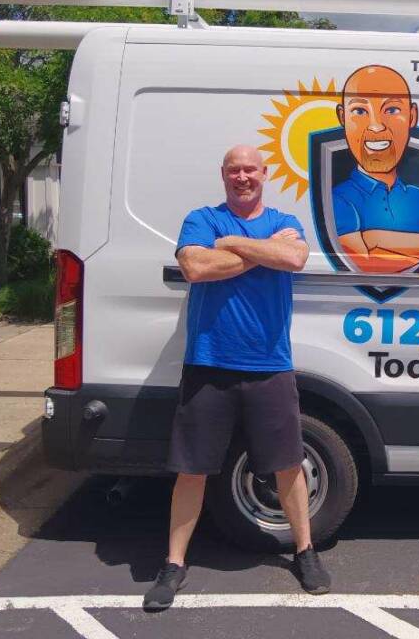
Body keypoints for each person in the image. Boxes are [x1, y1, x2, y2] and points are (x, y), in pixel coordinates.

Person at [143, 144, 330, 611]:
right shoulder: (202, 218)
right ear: (223, 175)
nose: (242, 176)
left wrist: (232, 246)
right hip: (209, 363)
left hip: (269, 364)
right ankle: (173, 564)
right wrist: (263, 253)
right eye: (234, 170)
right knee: (192, 469)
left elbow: (295, 260)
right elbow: (196, 266)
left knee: (288, 464)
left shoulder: (286, 221)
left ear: (265, 174)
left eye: (250, 169)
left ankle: (304, 552)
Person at [332, 64, 419, 273]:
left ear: (412, 116)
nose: (376, 126)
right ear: (343, 117)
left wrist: (375, 237)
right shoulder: (336, 199)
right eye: (359, 111)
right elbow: (362, 262)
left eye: (392, 110)